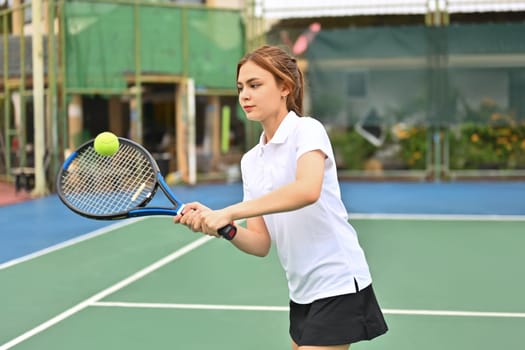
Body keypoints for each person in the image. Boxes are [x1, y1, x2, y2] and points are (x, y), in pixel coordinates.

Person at [174, 45, 388, 350]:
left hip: (338, 281)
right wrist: (224, 227)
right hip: (301, 291)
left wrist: (229, 211)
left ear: (285, 87)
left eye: (255, 85)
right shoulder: (251, 161)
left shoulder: (307, 130)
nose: (244, 95)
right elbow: (260, 243)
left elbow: (307, 190)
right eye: (240, 88)